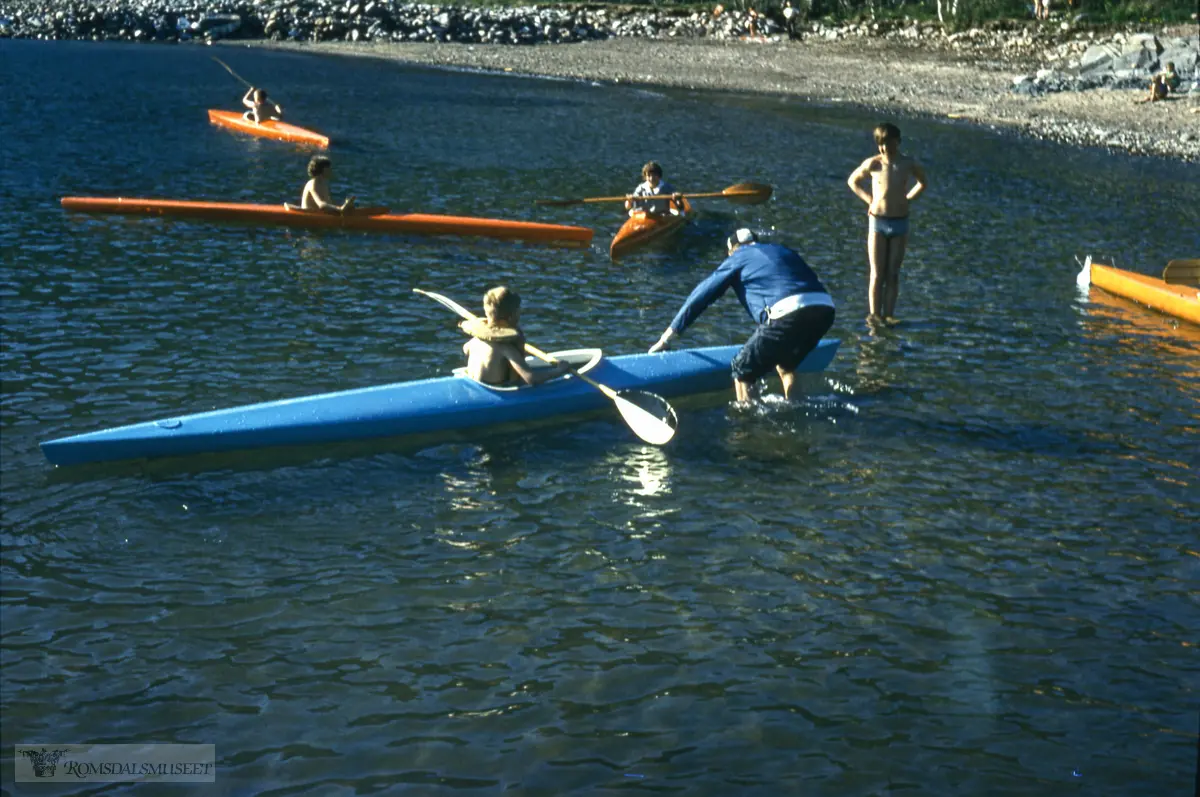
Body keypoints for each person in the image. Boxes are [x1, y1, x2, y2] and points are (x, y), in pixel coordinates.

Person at [647, 229, 836, 402]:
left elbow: (702, 295)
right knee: (785, 365)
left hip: (788, 311)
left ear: (732, 250)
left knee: (741, 369)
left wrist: (667, 337)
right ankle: (796, 406)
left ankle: (748, 423)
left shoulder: (738, 257)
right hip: (825, 308)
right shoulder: (781, 250)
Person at [846, 122, 927, 323]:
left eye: (889, 144)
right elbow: (853, 181)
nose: (885, 149)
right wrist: (869, 200)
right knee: (877, 273)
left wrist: (908, 199)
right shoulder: (873, 163)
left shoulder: (908, 164)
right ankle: (874, 316)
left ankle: (889, 315)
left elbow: (923, 182)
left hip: (900, 223)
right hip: (877, 222)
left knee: (893, 273)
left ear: (898, 142)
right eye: (881, 145)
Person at [461, 286, 570, 386]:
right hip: (494, 394)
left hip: (474, 384)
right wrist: (559, 370)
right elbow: (531, 378)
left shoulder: (475, 341)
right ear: (511, 317)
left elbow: (465, 349)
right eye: (518, 310)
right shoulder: (505, 348)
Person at [283, 155, 355, 214]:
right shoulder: (314, 183)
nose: (331, 171)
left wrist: (346, 206)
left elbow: (327, 204)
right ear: (324, 170)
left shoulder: (323, 183)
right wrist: (340, 209)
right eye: (329, 168)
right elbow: (321, 205)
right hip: (309, 217)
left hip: (320, 214)